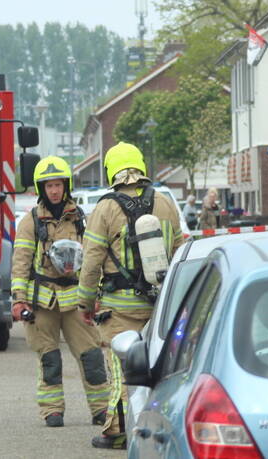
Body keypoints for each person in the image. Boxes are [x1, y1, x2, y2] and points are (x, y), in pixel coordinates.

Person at [78, 142, 184, 451]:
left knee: (122, 370)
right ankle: (158, 427)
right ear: (141, 167)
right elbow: (179, 252)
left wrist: (85, 302)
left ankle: (118, 432)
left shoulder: (106, 208)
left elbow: (91, 261)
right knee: (159, 370)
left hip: (117, 310)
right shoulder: (164, 203)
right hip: (159, 306)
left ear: (112, 171)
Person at [10, 156, 110, 428]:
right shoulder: (30, 222)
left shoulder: (81, 219)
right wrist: (18, 300)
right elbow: (20, 261)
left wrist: (96, 297)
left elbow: (94, 258)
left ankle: (101, 409)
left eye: (58, 185)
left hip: (77, 302)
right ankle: (52, 410)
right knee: (49, 359)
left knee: (92, 358)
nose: (54, 190)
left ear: (66, 186)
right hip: (43, 304)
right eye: (49, 186)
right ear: (41, 189)